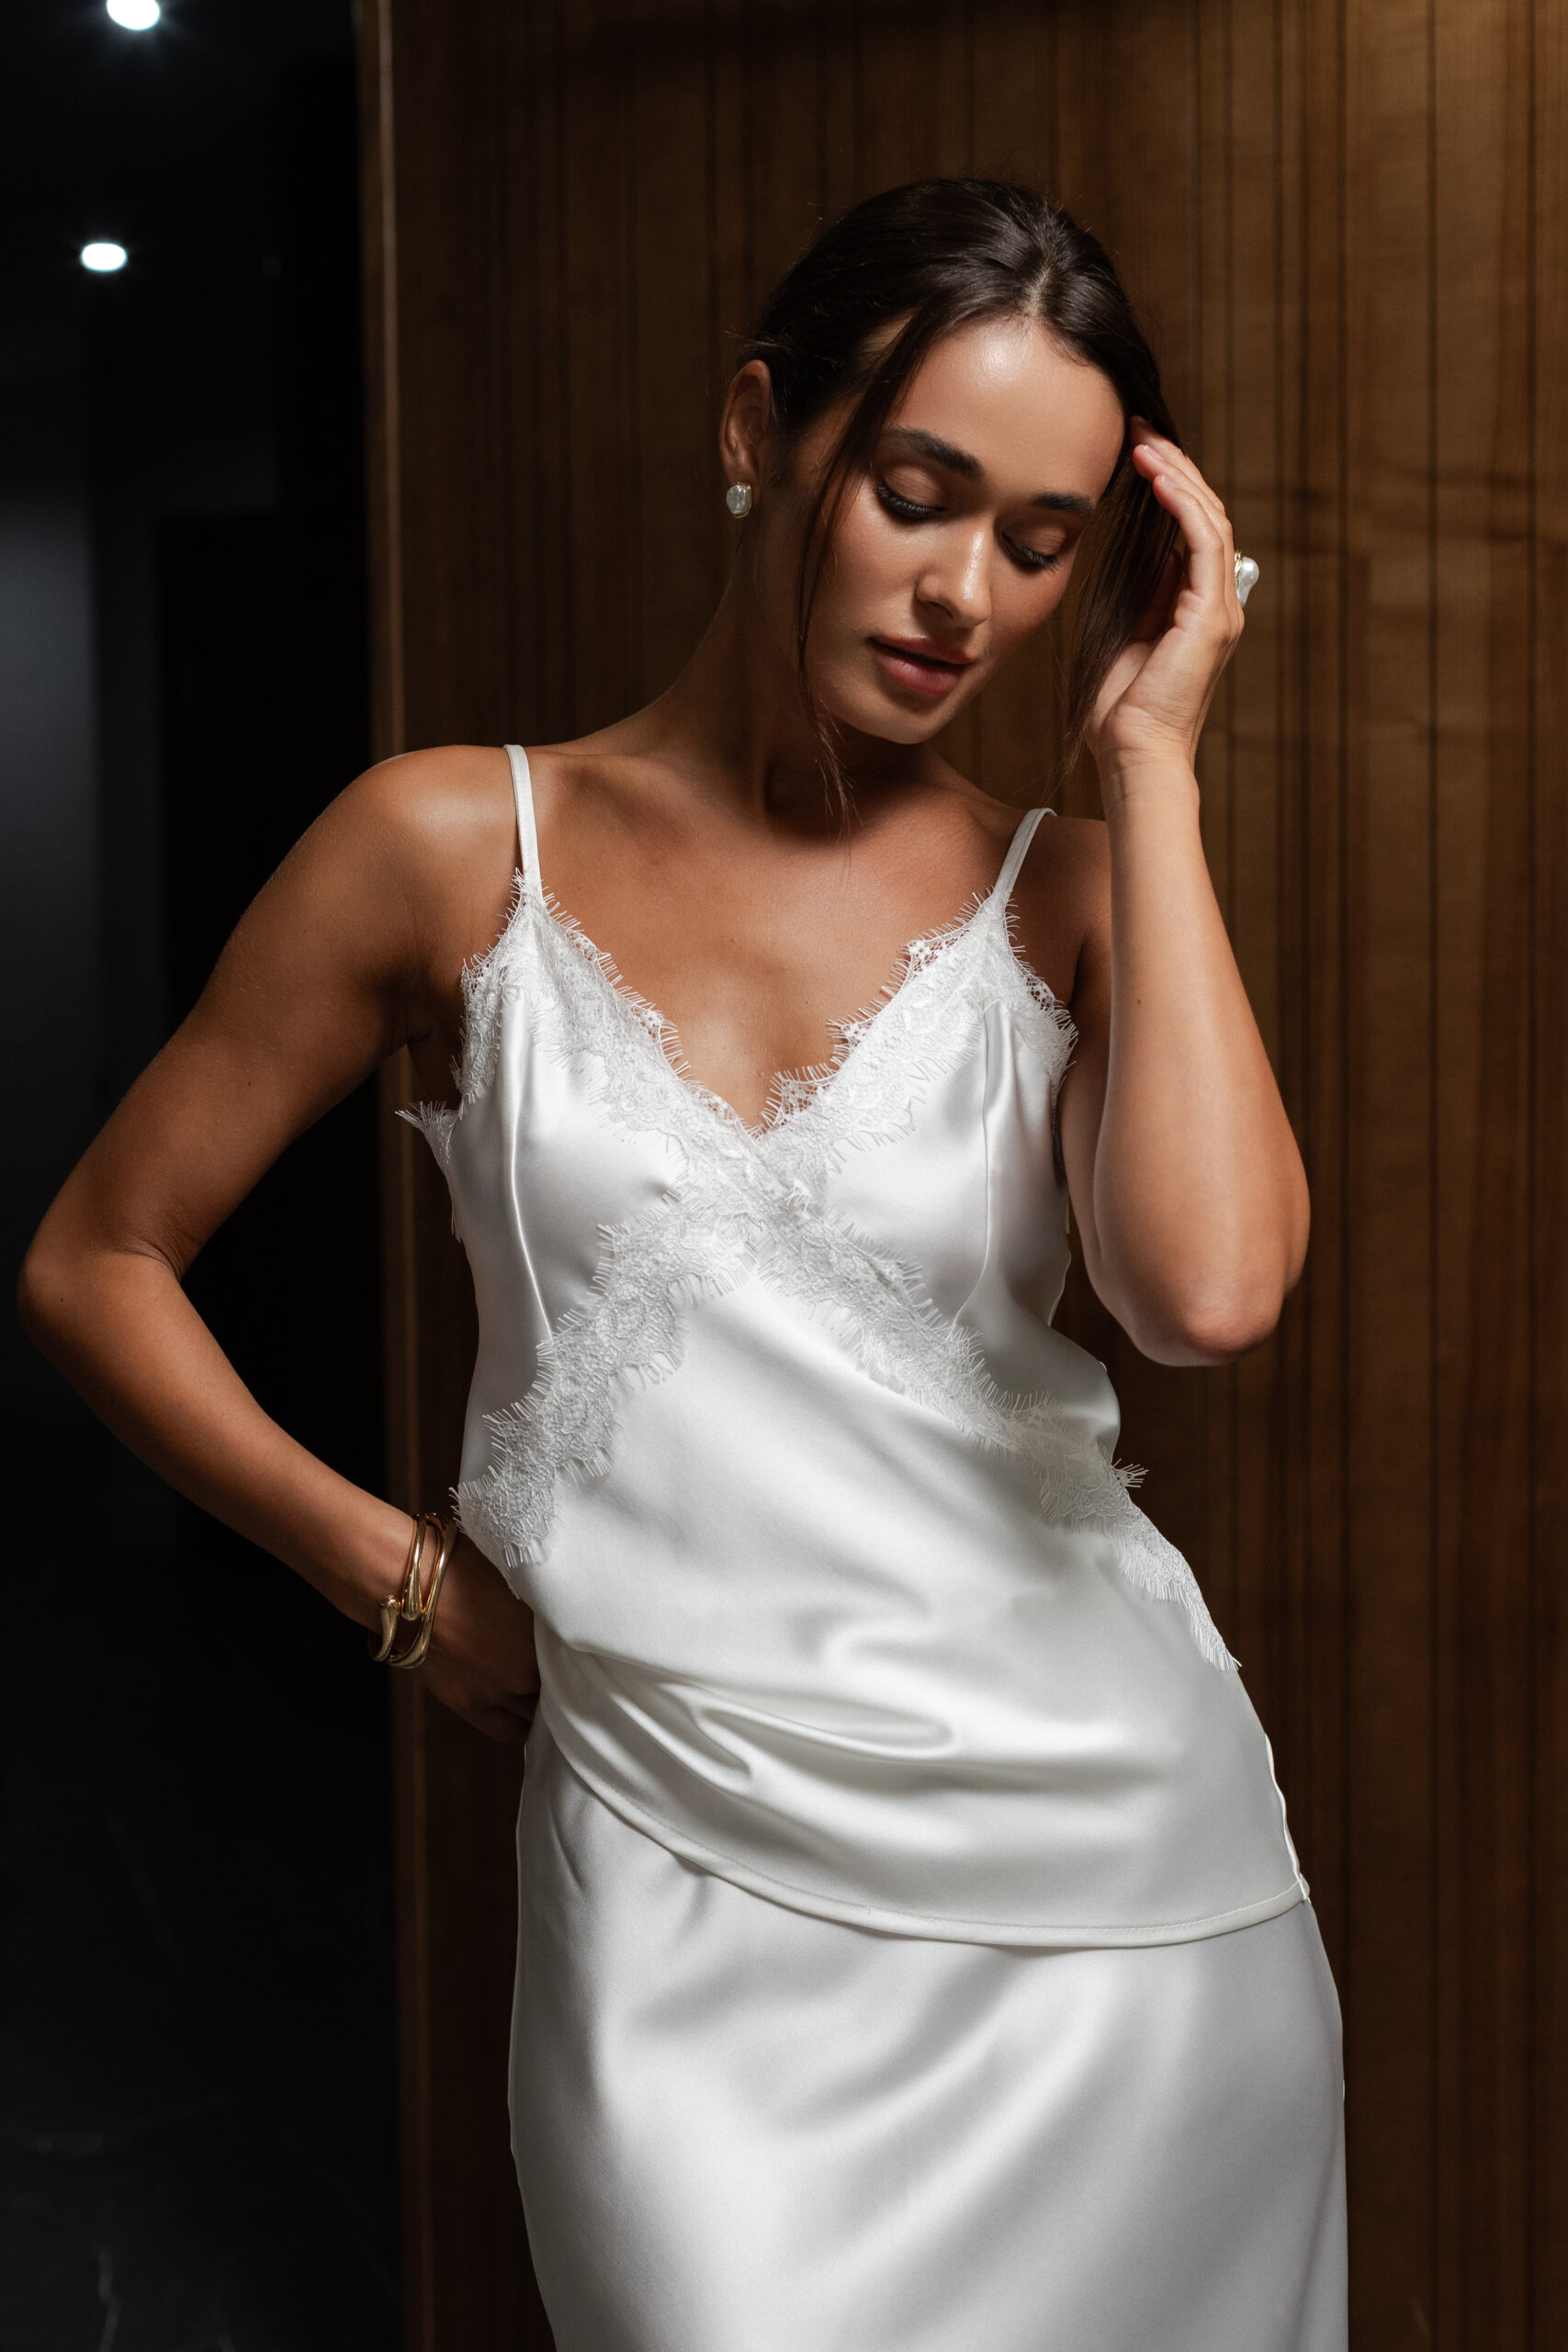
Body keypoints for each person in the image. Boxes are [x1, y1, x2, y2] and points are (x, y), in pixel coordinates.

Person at [21, 179, 1346, 2349]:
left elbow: (1205, 1295)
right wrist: (395, 1574)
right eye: (914, 493)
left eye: (1037, 540)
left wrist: (1148, 764)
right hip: (676, 1880)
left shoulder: (1074, 893)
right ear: (756, 428)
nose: (963, 592)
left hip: (1127, 1905)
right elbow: (99, 1256)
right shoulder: (449, 845)